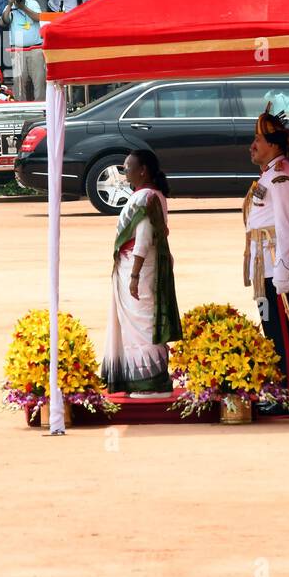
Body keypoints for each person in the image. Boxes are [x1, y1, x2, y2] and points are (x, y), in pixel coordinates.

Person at [101, 150, 181, 396]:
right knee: (143, 322)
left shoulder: (145, 198)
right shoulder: (153, 195)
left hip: (139, 269)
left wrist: (134, 275)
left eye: (127, 168)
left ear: (143, 170)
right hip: (142, 267)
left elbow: (144, 239)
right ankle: (143, 379)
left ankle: (149, 382)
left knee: (143, 325)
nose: (125, 173)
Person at [244, 106, 289, 415]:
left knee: (282, 333)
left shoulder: (280, 177)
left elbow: (284, 225)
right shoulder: (270, 174)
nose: (252, 146)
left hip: (276, 266)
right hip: (263, 265)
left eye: (258, 140)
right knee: (271, 331)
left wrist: (282, 271)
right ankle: (279, 392)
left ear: (274, 144)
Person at [0, 0, 45, 100]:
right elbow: (4, 21)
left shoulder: (33, 3)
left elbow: (39, 18)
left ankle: (41, 110)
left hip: (36, 49)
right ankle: (21, 109)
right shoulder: (8, 7)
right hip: (18, 50)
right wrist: (10, 5)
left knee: (39, 81)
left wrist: (23, 7)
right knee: (18, 82)